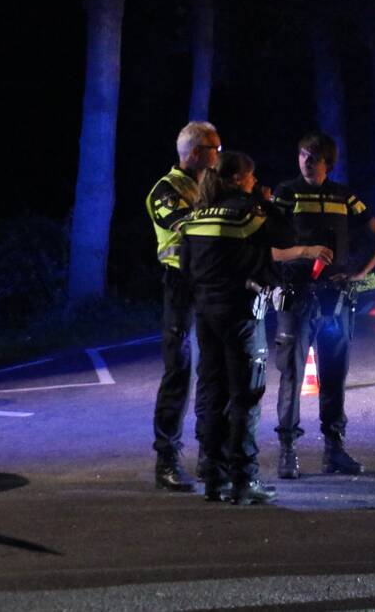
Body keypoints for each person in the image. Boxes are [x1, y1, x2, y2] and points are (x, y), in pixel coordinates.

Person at [180, 151, 332, 505]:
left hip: (205, 315)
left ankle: (214, 478)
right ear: (237, 179)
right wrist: (264, 202)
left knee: (213, 393)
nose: (254, 181)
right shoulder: (248, 213)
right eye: (250, 176)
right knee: (246, 395)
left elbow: (186, 267)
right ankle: (244, 479)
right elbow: (285, 234)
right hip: (242, 314)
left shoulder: (196, 216)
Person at [272, 131, 375, 478]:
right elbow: (268, 245)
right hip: (296, 295)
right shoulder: (286, 194)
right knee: (292, 374)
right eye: (302, 155)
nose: (307, 162)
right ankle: (287, 452)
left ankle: (334, 450)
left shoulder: (344, 196)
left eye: (314, 157)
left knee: (335, 375)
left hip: (335, 298)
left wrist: (359, 273)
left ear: (328, 163)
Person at [145, 121, 220, 491]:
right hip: (180, 283)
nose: (218, 155)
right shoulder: (165, 189)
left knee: (213, 370)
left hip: (211, 283)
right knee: (179, 369)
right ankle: (167, 460)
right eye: (213, 149)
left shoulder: (212, 184)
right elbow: (187, 225)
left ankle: (209, 455)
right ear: (193, 153)